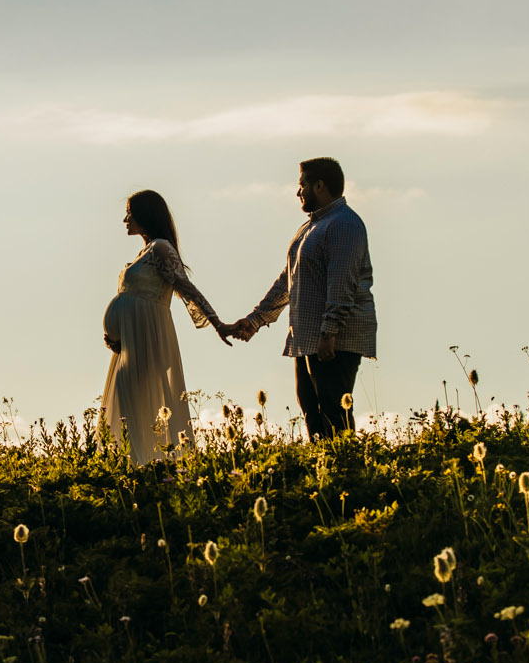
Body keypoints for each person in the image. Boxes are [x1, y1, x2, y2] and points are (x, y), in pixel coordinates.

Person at [230, 157, 375, 438]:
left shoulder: (344, 225)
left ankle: (345, 473)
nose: (298, 192)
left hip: (334, 341)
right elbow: (287, 281)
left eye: (302, 185)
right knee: (311, 411)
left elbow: (342, 282)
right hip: (307, 337)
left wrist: (329, 331)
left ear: (319, 185)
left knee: (334, 412)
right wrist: (256, 320)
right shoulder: (309, 229)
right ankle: (323, 472)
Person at [99, 190, 231, 465]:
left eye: (130, 212)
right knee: (128, 404)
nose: (125, 218)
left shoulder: (160, 248)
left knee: (138, 406)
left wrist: (217, 324)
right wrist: (114, 332)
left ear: (145, 215)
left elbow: (186, 288)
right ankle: (132, 466)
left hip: (146, 339)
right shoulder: (144, 251)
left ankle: (145, 467)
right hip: (130, 344)